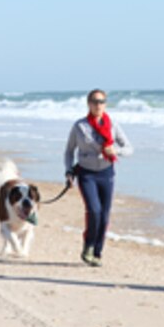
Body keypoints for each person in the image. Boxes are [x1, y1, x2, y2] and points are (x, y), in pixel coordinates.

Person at [63, 89, 133, 266]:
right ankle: (88, 245)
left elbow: (129, 148)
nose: (98, 104)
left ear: (106, 104)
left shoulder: (113, 124)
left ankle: (97, 252)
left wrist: (115, 151)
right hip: (86, 173)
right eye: (94, 101)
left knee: (104, 215)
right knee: (94, 210)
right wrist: (68, 171)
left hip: (106, 172)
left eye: (101, 101)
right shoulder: (79, 126)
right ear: (88, 104)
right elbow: (69, 151)